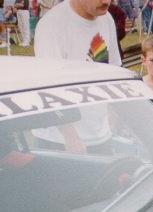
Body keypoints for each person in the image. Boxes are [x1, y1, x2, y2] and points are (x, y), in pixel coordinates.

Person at [34, 0, 121, 153]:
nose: (106, 1)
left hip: (100, 134)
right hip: (60, 141)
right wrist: (70, 135)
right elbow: (48, 87)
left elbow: (113, 71)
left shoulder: (106, 19)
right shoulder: (52, 24)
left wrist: (111, 112)